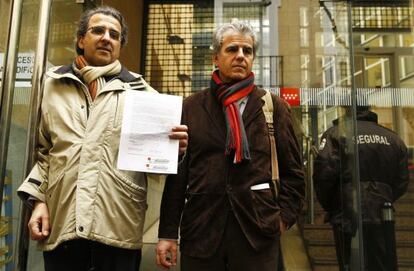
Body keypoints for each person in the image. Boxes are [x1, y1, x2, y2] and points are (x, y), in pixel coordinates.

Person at [17, 6, 188, 271]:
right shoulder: (52, 84)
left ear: (120, 45)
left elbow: (157, 169)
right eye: (98, 30)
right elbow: (45, 152)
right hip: (63, 226)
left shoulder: (143, 94)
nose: (106, 37)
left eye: (114, 34)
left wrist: (175, 150)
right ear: (80, 40)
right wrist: (38, 201)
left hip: (118, 229)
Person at [155, 20, 305, 271]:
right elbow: (178, 176)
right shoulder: (191, 107)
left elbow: (294, 174)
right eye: (232, 49)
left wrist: (281, 220)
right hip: (202, 234)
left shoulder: (273, 107)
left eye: (247, 51)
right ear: (215, 57)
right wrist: (168, 234)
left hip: (257, 235)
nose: (240, 56)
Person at [313, 107, 409, 271]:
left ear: (346, 110)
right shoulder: (392, 138)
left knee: (350, 263)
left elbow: (324, 174)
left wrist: (332, 205)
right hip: (382, 212)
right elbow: (402, 180)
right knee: (382, 263)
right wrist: (384, 195)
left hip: (347, 210)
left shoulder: (334, 134)